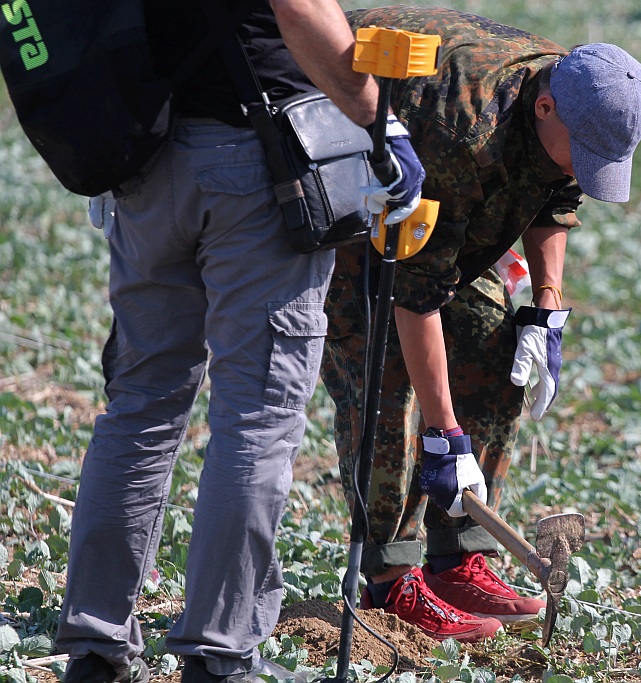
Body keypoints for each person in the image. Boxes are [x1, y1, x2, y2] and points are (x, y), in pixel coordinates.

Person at [54, 2, 423, 683]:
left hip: (143, 160)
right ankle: (217, 654)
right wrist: (381, 124)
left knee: (138, 407)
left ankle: (95, 649)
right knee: (255, 416)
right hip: (255, 164)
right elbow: (300, 8)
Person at [321, 5, 641, 643]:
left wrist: (545, 307)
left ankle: (458, 560)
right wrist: (446, 435)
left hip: (439, 219)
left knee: (497, 344)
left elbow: (555, 193)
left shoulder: (571, 88)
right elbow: (414, 292)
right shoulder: (462, 127)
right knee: (382, 379)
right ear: (545, 108)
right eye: (582, 154)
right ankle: (390, 578)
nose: (582, 168)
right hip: (356, 196)